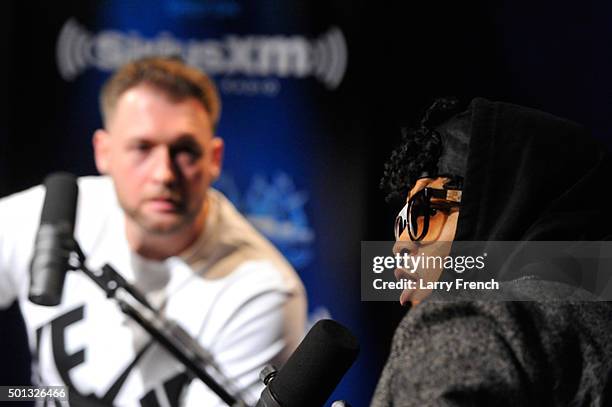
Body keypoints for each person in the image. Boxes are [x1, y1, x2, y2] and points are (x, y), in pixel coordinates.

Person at [0, 57, 307, 406]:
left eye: (185, 151)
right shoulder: (50, 215)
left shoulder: (261, 291)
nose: (163, 174)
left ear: (215, 159)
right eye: (142, 148)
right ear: (104, 152)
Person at [371, 97, 612, 405]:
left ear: (502, 201)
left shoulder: (469, 327)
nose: (399, 244)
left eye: (421, 210)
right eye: (398, 224)